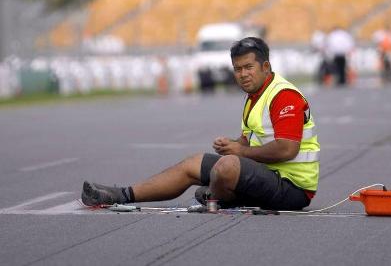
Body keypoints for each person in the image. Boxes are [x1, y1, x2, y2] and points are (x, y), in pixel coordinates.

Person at [81, 37, 320, 210]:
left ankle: (216, 198)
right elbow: (248, 141)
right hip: (266, 174)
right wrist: (232, 145)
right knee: (194, 163)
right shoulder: (255, 96)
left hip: (293, 189)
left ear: (265, 67)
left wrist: (240, 152)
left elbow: (288, 149)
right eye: (238, 69)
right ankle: (120, 195)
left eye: (249, 67)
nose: (243, 74)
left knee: (226, 167)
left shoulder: (283, 95)